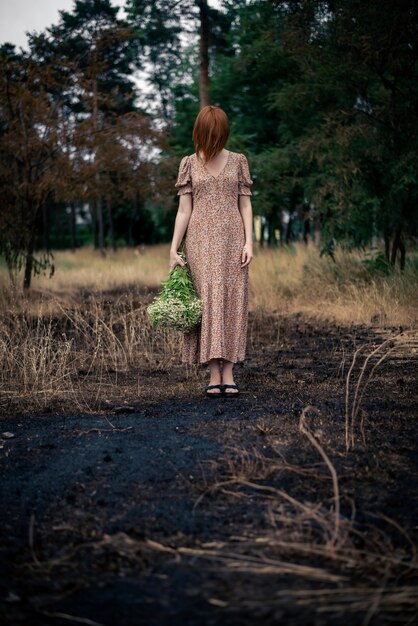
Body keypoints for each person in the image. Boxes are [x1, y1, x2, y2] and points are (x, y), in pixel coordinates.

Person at [169, 105, 254, 397]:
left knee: (232, 301)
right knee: (208, 302)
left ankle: (228, 371)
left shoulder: (239, 161)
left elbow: (245, 204)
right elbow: (183, 211)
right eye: (211, 133)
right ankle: (213, 372)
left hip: (232, 240)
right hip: (200, 242)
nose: (215, 138)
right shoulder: (189, 163)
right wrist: (173, 249)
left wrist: (249, 242)